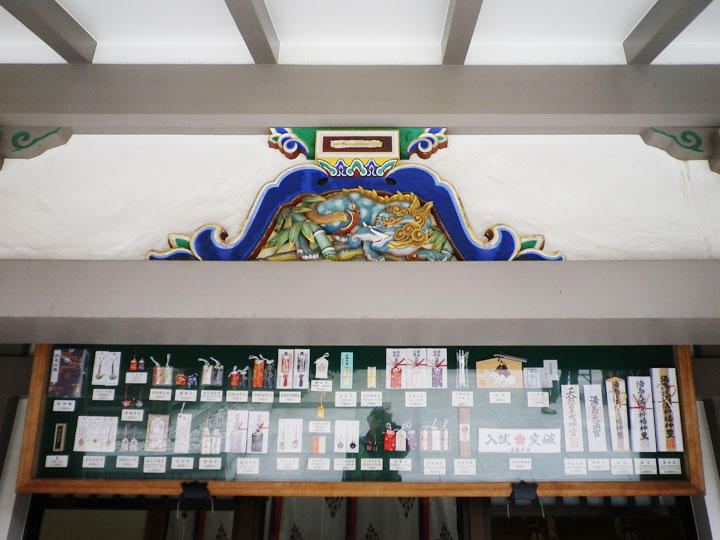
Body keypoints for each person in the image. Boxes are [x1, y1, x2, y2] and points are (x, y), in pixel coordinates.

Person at [344, 406, 408, 481]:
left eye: (382, 420)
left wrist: (391, 423)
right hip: (360, 488)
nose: (378, 423)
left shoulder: (390, 443)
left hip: (386, 488)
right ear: (368, 419)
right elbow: (347, 475)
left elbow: (404, 446)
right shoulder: (356, 445)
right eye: (375, 418)